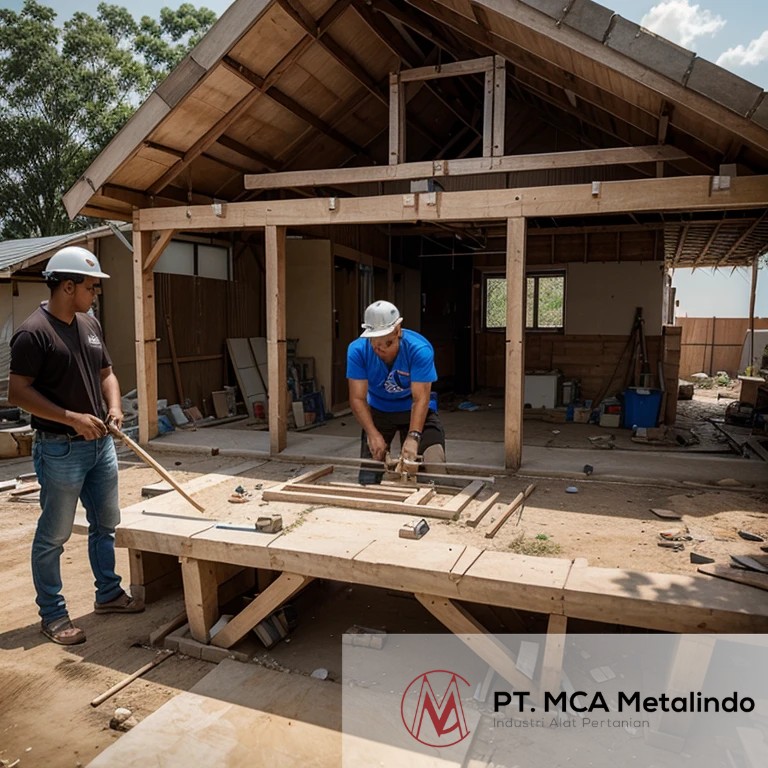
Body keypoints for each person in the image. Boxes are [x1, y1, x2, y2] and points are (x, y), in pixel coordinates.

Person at [8, 246, 144, 646]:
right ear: (68, 286)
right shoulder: (34, 333)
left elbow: (108, 373)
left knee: (106, 524)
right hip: (60, 448)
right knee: (54, 535)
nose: (95, 293)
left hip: (100, 446)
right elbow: (18, 392)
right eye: (91, 286)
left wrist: (114, 408)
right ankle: (53, 615)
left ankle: (109, 593)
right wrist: (71, 418)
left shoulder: (89, 324)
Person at [347, 300, 446, 484]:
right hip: (379, 409)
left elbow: (420, 399)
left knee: (434, 465)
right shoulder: (357, 350)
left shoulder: (419, 349)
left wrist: (413, 436)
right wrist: (372, 433)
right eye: (376, 345)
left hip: (415, 408)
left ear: (398, 330)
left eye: (388, 343)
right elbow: (357, 398)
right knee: (370, 474)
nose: (382, 350)